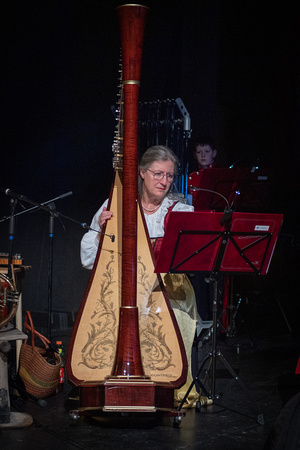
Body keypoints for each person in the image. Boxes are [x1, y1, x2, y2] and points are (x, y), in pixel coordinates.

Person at [81, 145, 207, 408]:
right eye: (158, 174)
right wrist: (103, 232)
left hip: (168, 288)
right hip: (126, 286)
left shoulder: (181, 211)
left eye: (170, 176)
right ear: (141, 173)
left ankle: (165, 385)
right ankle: (116, 381)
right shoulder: (114, 206)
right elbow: (88, 257)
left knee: (168, 318)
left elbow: (194, 259)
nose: (164, 181)